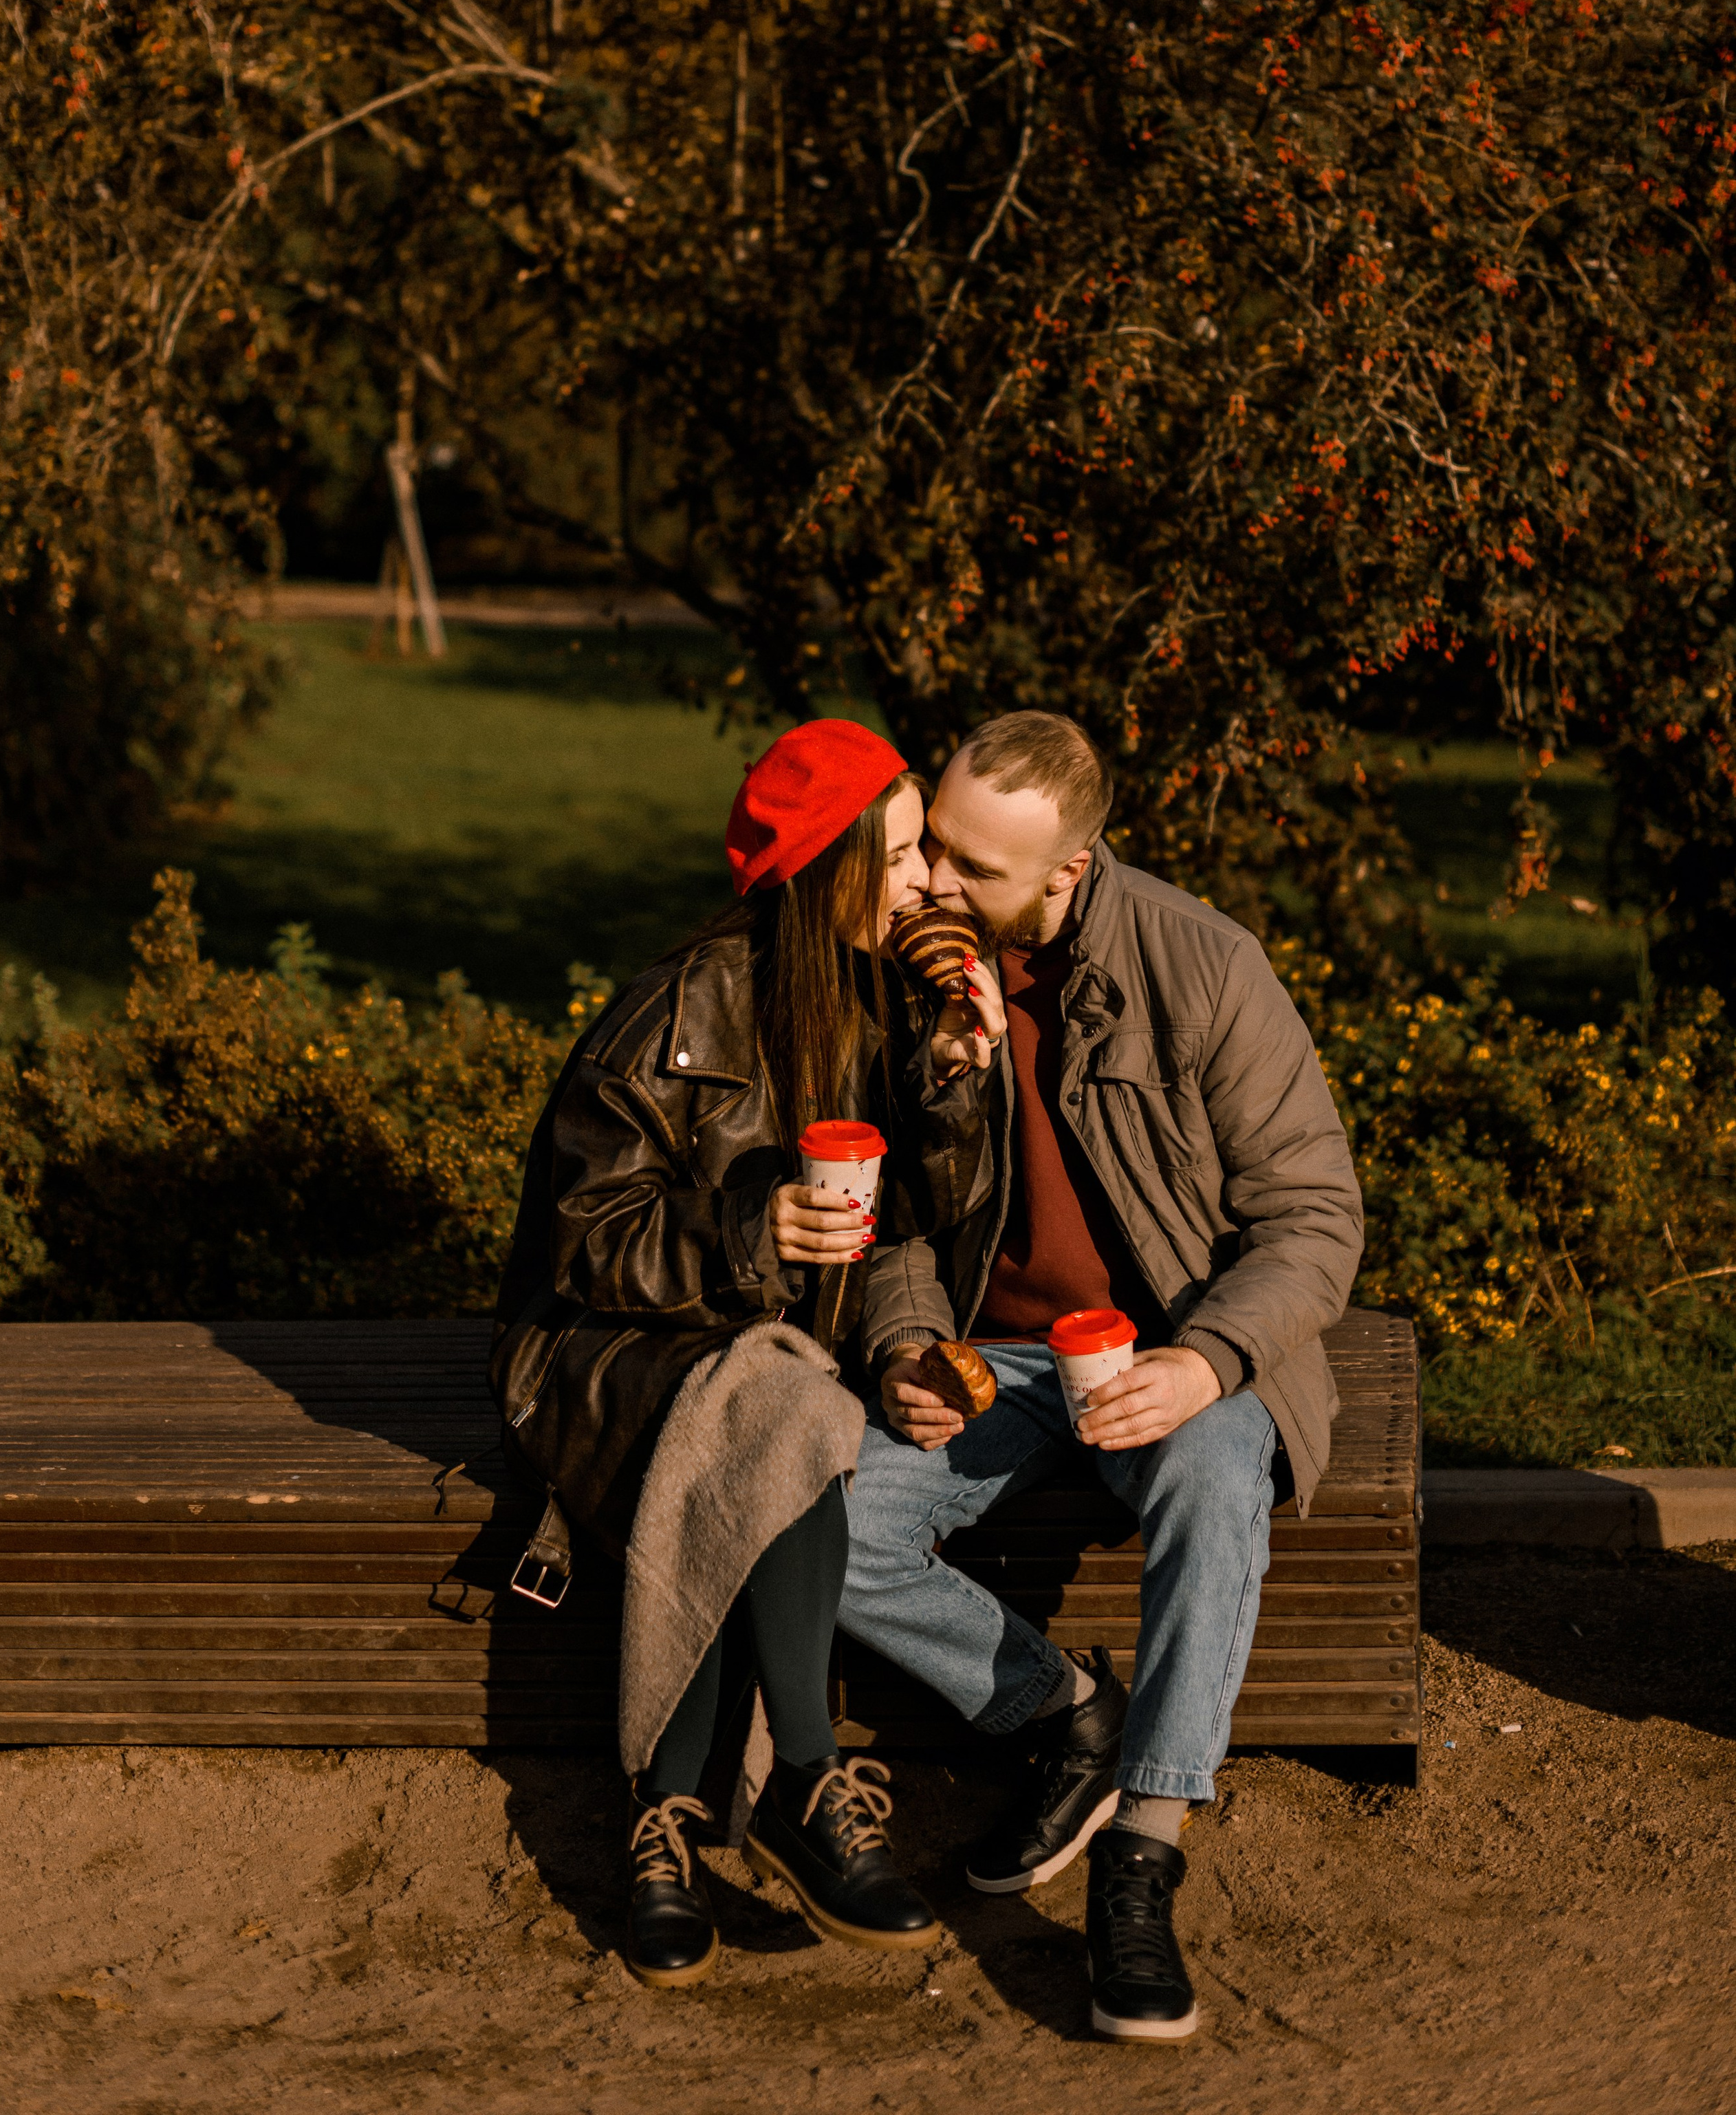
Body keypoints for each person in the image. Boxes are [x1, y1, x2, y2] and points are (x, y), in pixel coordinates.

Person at [838, 710, 1364, 2043]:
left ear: (1065, 873)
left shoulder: (1199, 965)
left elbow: (1312, 1220)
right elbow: (889, 1221)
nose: (928, 883)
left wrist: (1202, 1362)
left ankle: (1145, 1840)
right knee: (829, 1528)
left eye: (968, 867)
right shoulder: (903, 970)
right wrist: (906, 1341)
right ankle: (1065, 1712)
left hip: (1168, 1348)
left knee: (1209, 1475)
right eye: (929, 848)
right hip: (989, 1359)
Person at [490, 717, 985, 1990]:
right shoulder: (671, 1014)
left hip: (766, 1375)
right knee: (778, 1404)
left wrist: (952, 1088)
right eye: (907, 853)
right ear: (831, 870)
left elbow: (909, 1234)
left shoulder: (879, 1009)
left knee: (779, 1409)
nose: (930, 879)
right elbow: (577, 1243)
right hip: (603, 1359)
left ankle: (664, 1828)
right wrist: (745, 1227)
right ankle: (808, 1782)